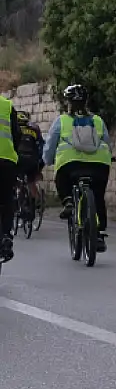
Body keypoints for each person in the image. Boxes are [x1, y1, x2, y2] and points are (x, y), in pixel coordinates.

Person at [46, 84, 114, 252]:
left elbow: (51, 145)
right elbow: (107, 143)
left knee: (61, 178)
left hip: (70, 165)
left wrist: (47, 160)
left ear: (67, 102)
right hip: (99, 165)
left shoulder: (61, 121)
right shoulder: (98, 120)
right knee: (98, 197)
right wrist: (109, 156)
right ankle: (99, 234)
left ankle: (68, 201)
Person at [0, 92, 19, 262]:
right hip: (7, 161)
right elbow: (17, 135)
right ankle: (6, 235)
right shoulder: (7, 105)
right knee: (7, 199)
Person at [15, 111, 44, 207]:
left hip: (18, 160)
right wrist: (41, 163)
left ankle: (16, 199)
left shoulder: (14, 129)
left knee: (15, 179)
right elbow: (41, 145)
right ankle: (36, 202)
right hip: (32, 160)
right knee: (31, 181)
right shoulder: (34, 128)